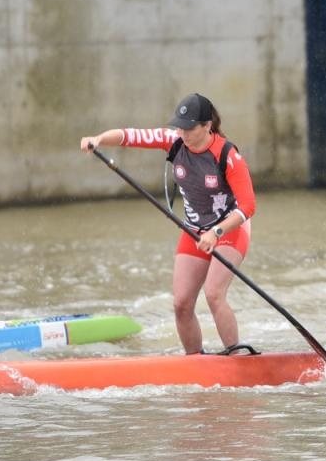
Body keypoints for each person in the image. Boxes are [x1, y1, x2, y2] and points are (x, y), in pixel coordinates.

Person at [80, 93, 256, 355]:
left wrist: (216, 231)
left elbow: (248, 206)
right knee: (181, 304)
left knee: (213, 294)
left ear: (207, 126)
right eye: (179, 126)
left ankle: (237, 357)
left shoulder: (227, 155)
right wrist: (99, 139)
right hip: (194, 230)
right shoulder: (173, 142)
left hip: (230, 228)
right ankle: (195, 361)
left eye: (189, 127)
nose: (182, 133)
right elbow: (130, 136)